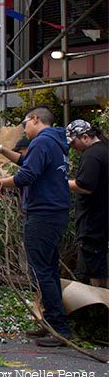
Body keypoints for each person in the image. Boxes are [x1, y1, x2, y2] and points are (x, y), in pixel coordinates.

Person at [0, 107, 71, 347]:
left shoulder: (41, 142)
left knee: (41, 271)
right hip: (55, 212)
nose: (23, 129)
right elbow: (25, 161)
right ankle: (50, 322)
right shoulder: (55, 142)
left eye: (24, 123)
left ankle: (59, 328)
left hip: (43, 213)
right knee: (47, 268)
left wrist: (1, 183)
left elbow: (27, 174)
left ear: (36, 119)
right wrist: (0, 150)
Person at [66, 119, 108, 288]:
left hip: (94, 222)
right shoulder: (104, 149)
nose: (73, 148)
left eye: (74, 142)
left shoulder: (91, 155)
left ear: (85, 137)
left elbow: (85, 186)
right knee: (101, 266)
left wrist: (60, 182)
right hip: (102, 216)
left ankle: (99, 308)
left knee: (95, 269)